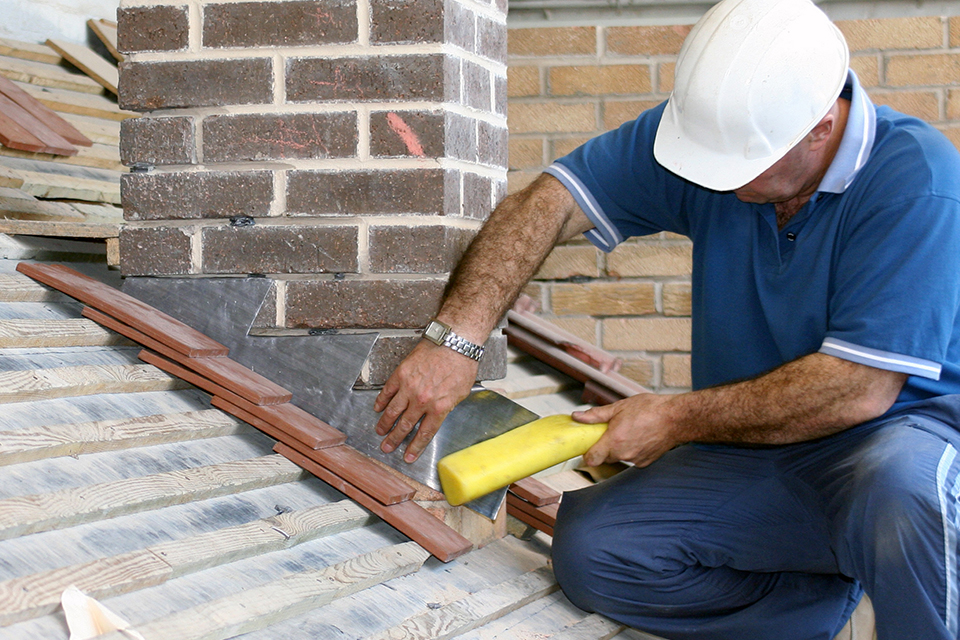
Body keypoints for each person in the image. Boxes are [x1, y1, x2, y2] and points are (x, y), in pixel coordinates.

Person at [374, 0, 960, 637]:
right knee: (595, 550)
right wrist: (456, 338)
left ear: (820, 126)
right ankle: (807, 613)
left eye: (742, 169)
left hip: (897, 441)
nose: (723, 186)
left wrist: (673, 417)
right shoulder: (711, 137)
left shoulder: (917, 181)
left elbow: (857, 389)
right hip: (759, 447)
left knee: (903, 494)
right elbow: (549, 203)